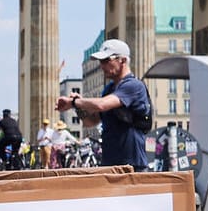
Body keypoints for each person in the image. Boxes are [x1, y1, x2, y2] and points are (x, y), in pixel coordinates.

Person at [55, 39, 152, 170]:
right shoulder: (109, 89)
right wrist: (77, 107)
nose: (102, 66)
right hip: (110, 162)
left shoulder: (134, 86)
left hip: (132, 163)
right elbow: (91, 121)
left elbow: (102, 105)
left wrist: (74, 102)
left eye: (106, 61)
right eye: (101, 61)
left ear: (122, 60)